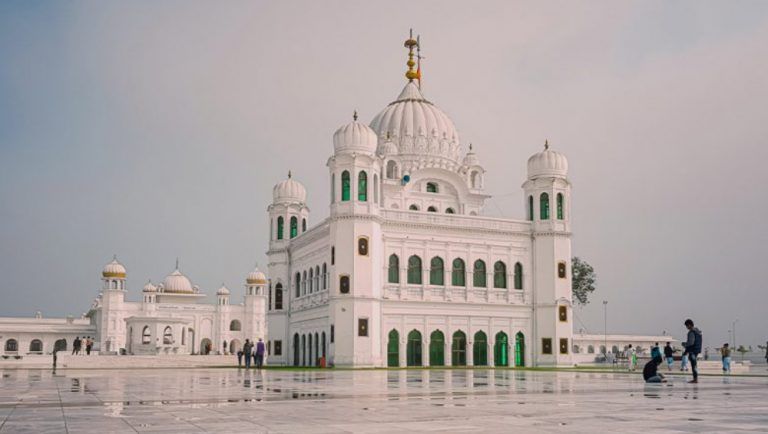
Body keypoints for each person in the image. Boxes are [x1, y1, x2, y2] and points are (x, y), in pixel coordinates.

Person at [682, 319, 703, 383]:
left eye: (687, 326)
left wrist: (684, 344)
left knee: (693, 365)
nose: (687, 327)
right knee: (694, 365)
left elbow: (691, 343)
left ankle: (695, 379)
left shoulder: (691, 332)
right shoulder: (698, 332)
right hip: (697, 350)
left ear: (689, 325)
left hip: (692, 350)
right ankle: (695, 378)